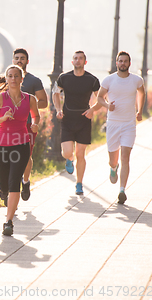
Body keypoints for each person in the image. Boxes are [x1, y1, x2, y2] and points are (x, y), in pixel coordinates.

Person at [0, 65, 40, 236]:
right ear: (6, 79)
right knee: (4, 185)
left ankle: (8, 222)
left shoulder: (30, 99)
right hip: (1, 146)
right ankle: (4, 192)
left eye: (17, 76)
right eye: (10, 76)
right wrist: (3, 118)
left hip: (21, 144)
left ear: (22, 79)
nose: (14, 79)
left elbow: (36, 115)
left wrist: (35, 124)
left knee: (14, 181)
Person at [90, 51, 145, 204]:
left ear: (129, 63)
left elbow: (142, 92)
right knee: (113, 160)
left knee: (125, 155)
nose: (122, 63)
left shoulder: (136, 80)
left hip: (129, 124)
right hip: (113, 124)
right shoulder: (109, 80)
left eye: (125, 61)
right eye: (120, 61)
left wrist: (140, 110)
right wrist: (107, 105)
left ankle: (122, 190)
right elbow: (99, 97)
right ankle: (113, 168)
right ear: (116, 63)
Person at [53, 50, 100, 195]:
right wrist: (58, 109)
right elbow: (55, 93)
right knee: (67, 152)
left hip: (84, 120)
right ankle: (69, 159)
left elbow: (102, 98)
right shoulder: (64, 78)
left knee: (81, 154)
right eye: (75, 58)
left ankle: (79, 184)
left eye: (80, 58)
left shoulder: (92, 80)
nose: (77, 60)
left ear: (85, 62)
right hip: (67, 119)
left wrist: (92, 110)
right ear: (72, 61)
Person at [12, 48, 48, 201]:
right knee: (8, 156)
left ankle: (25, 182)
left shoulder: (34, 81)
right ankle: (11, 187)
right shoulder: (8, 78)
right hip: (10, 126)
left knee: (26, 157)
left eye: (22, 58)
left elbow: (44, 102)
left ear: (27, 61)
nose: (19, 60)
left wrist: (27, 106)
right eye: (17, 58)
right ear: (13, 60)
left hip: (28, 124)